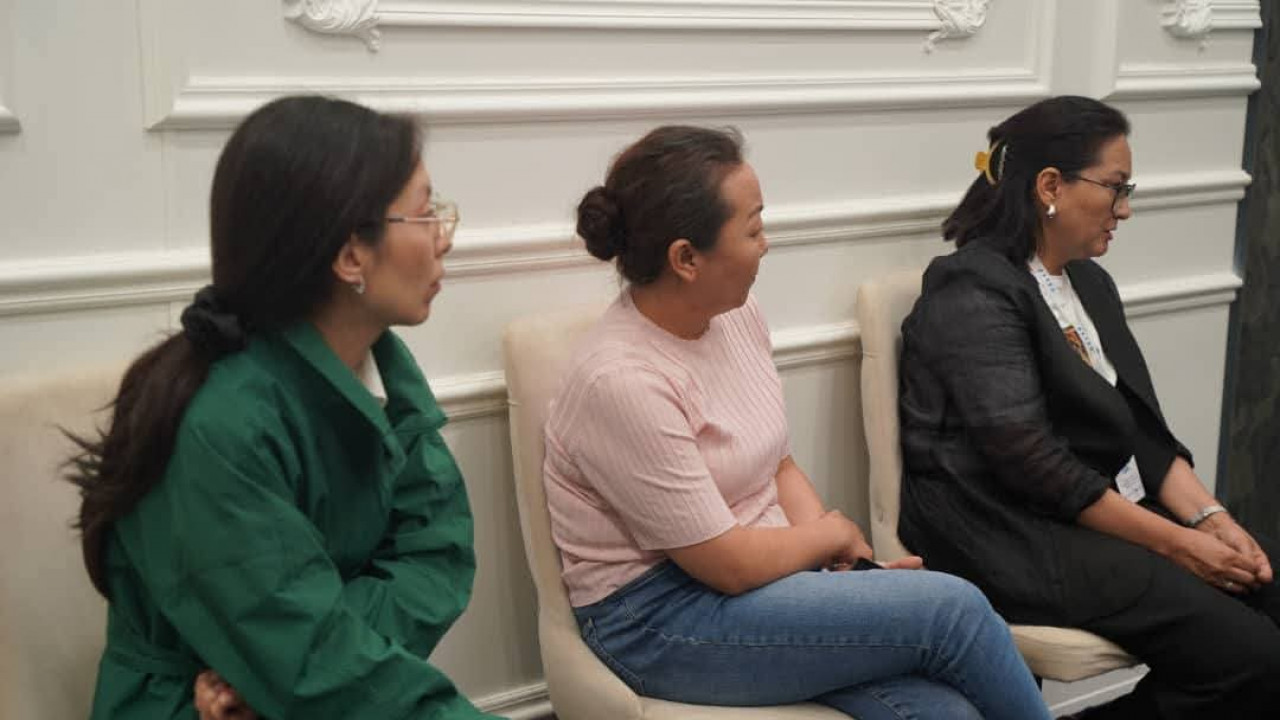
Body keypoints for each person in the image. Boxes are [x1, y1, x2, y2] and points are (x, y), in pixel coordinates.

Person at [542, 125, 1052, 720]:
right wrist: (830, 536)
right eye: (752, 228)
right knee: (953, 611)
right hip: (657, 617)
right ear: (686, 258)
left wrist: (843, 571)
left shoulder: (733, 314)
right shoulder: (621, 381)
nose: (766, 244)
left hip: (759, 574)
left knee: (945, 712)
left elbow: (776, 464)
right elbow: (727, 563)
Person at [65, 95, 500, 719]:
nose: (444, 237)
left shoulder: (377, 368)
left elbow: (435, 553)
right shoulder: (220, 425)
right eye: (425, 212)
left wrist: (284, 661)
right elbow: (317, 668)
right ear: (350, 255)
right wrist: (295, 660)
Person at [897, 95, 1280, 719]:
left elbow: (1142, 432)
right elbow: (1033, 465)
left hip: (1090, 514)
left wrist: (1212, 520)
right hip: (1007, 534)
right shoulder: (972, 289)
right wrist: (1178, 545)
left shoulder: (1089, 282)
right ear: (1050, 186)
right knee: (1252, 657)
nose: (1124, 209)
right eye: (1115, 188)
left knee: (1266, 583)